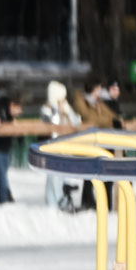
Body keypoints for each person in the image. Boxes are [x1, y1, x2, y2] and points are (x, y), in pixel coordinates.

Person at [39, 80, 81, 212]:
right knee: (53, 176)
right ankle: (53, 202)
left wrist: (68, 111)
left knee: (63, 175)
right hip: (52, 147)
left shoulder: (66, 107)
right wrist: (57, 109)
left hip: (66, 146)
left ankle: (63, 199)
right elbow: (51, 123)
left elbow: (77, 122)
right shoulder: (47, 108)